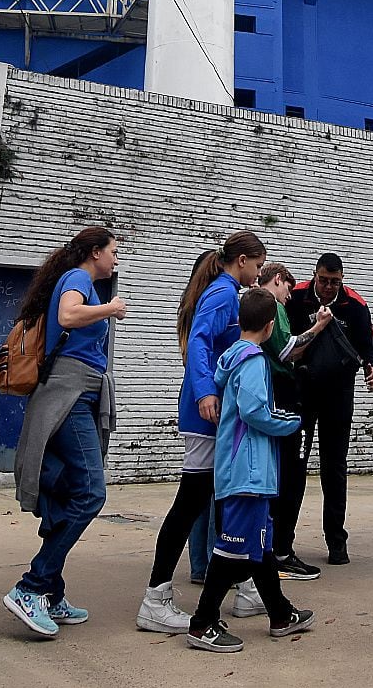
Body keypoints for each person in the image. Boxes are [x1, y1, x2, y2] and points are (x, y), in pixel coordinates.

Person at [136, 232, 265, 635]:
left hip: (215, 416)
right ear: (242, 260)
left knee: (228, 504)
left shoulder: (225, 291)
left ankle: (246, 587)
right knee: (193, 504)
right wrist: (206, 392)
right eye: (258, 266)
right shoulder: (223, 294)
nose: (259, 274)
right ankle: (156, 598)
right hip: (206, 416)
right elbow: (199, 342)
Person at [5, 227, 124, 636]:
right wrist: (109, 309)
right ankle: (32, 585)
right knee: (92, 492)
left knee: (68, 492)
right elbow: (67, 316)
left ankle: (51, 592)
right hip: (70, 395)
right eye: (112, 252)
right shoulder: (78, 279)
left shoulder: (80, 279)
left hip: (82, 392)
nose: (115, 259)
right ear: (94, 253)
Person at [182, 287, 314, 652]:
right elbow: (255, 411)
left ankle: (280, 613)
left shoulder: (231, 357)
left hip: (242, 468)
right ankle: (202, 622)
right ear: (271, 326)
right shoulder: (254, 361)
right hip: (248, 470)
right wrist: (291, 423)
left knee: (260, 544)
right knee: (234, 548)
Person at [284, 253, 373, 565]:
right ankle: (283, 543)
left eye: (334, 282)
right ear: (314, 275)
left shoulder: (354, 304)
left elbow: (369, 345)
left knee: (335, 467)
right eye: (323, 280)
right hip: (301, 391)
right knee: (295, 465)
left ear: (342, 279)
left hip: (339, 394)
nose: (327, 287)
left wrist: (372, 367)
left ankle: (336, 542)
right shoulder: (296, 297)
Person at [256, 264, 333, 579]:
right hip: (286, 399)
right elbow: (287, 349)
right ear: (278, 281)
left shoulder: (249, 304)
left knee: (278, 475)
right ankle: (282, 550)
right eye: (288, 290)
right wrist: (319, 326)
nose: (288, 299)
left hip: (271, 395)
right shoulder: (271, 305)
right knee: (292, 475)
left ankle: (271, 547)